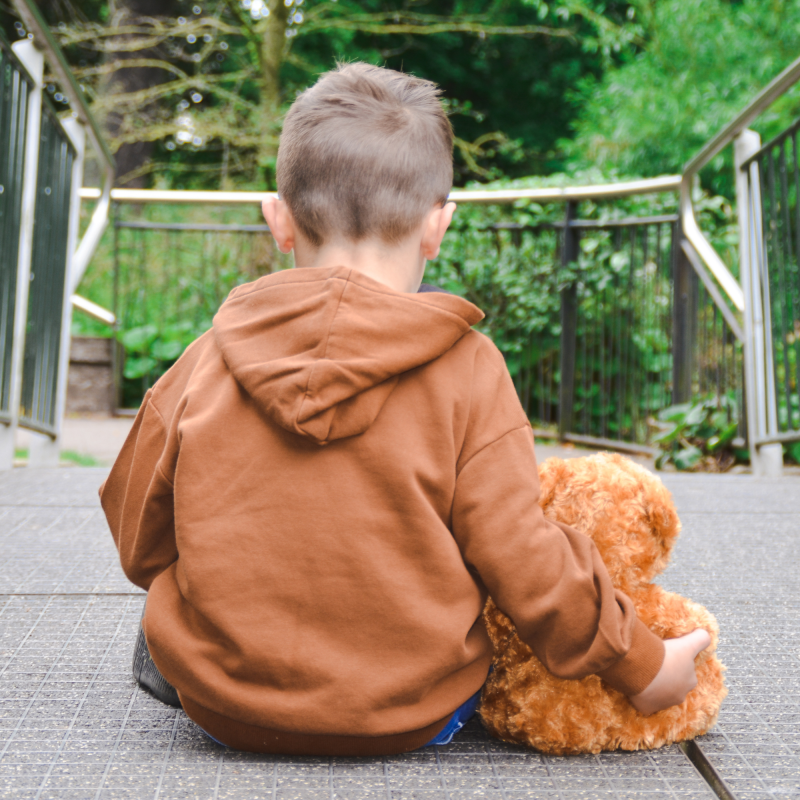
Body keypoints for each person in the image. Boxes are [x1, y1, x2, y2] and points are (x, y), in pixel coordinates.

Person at [100, 62, 710, 756]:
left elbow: (137, 537)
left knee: (158, 630)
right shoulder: (469, 368)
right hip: (411, 714)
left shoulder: (205, 359)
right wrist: (645, 665)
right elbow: (523, 559)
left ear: (279, 220)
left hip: (221, 708)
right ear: (436, 228)